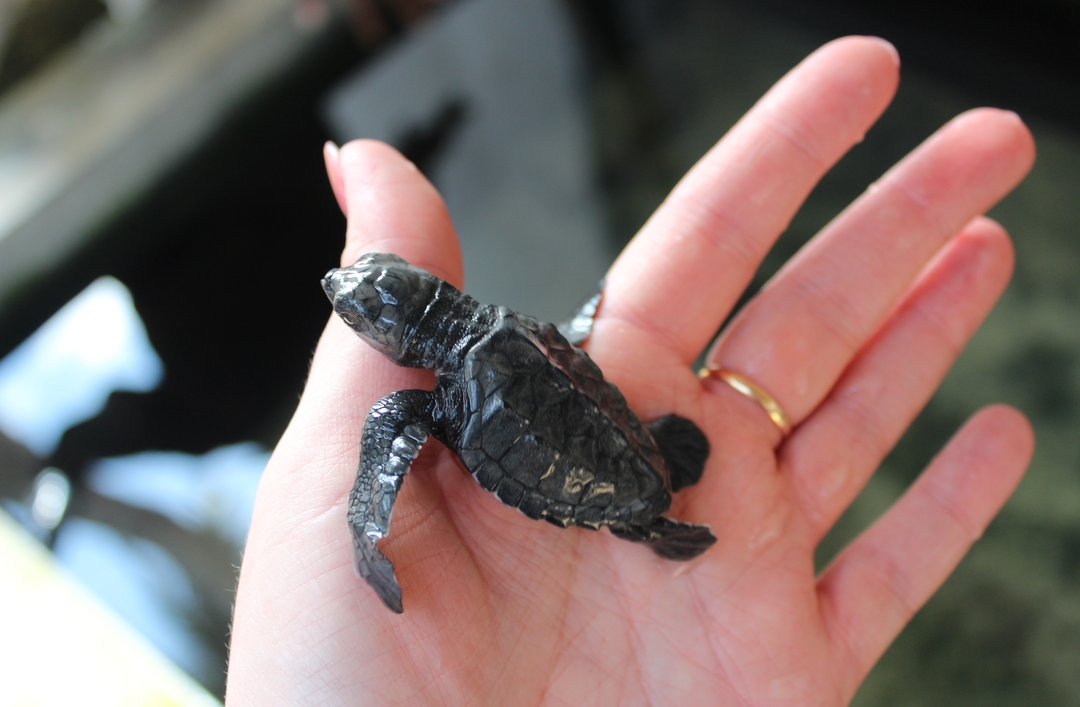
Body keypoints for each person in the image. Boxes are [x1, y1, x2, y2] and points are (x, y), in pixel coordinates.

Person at [225, 37, 1035, 705]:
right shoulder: (500, 320)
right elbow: (561, 344)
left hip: (608, 464)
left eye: (359, 304)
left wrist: (369, 536)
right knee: (577, 375)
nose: (346, 296)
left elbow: (404, 442)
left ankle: (646, 511)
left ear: (408, 333)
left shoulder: (410, 407)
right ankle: (650, 499)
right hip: (632, 437)